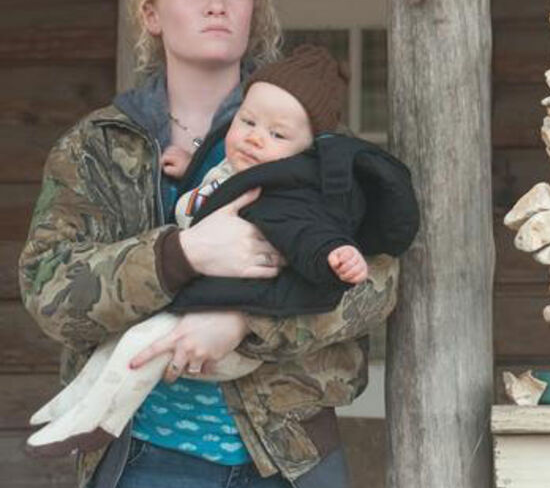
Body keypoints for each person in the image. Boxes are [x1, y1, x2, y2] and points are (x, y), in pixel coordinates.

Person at [19, 0, 401, 488]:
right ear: (151, 14)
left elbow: (377, 281)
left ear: (254, 14)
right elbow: (49, 292)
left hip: (287, 464)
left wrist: (246, 323)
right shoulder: (96, 148)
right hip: (144, 467)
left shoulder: (315, 142)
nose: (217, 4)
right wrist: (182, 253)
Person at [27, 44, 420, 459]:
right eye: (247, 121)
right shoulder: (241, 166)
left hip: (238, 350)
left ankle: (97, 425)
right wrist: (190, 164)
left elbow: (311, 233)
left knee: (139, 346)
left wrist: (334, 253)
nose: (255, 137)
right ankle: (69, 406)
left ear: (307, 152)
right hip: (200, 314)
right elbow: (218, 181)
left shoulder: (294, 194)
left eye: (277, 135)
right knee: (118, 344)